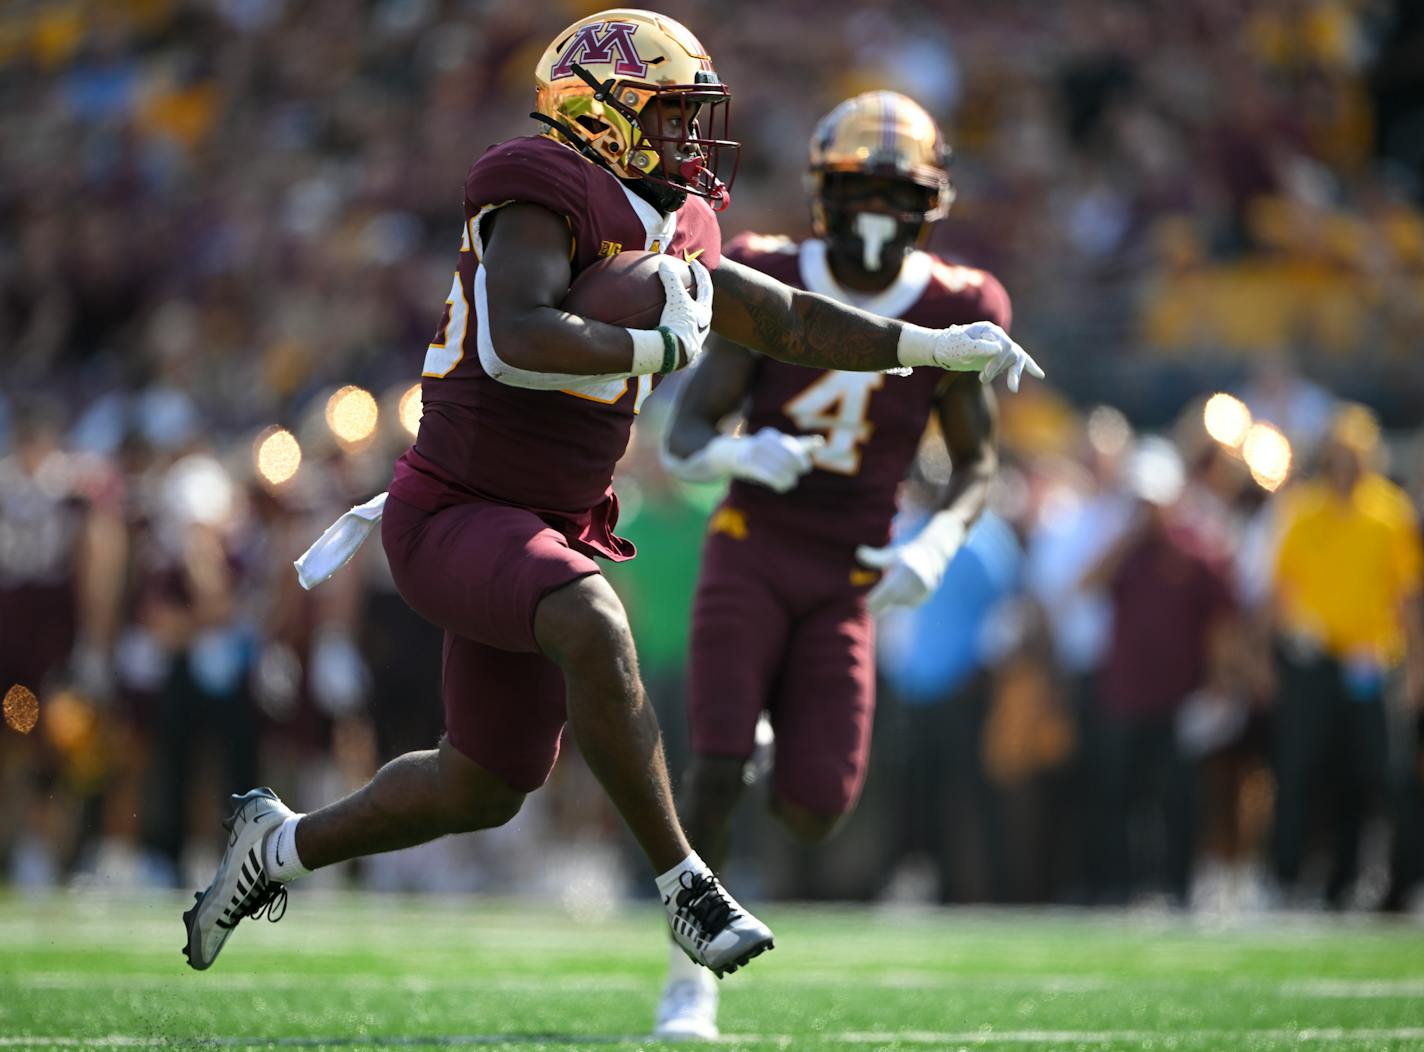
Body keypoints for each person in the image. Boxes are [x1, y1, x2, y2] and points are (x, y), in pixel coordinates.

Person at [181, 10, 1041, 980]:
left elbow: (782, 318)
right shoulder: (536, 182)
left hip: (540, 525)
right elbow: (518, 336)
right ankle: (683, 882)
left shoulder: (682, 219)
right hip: (456, 508)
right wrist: (655, 345)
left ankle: (276, 845)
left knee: (483, 781)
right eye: (670, 116)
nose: (688, 138)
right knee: (591, 614)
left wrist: (926, 347)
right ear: (597, 112)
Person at [653, 91, 1009, 1038]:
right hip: (753, 548)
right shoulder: (765, 272)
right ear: (824, 193)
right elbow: (686, 432)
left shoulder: (958, 304)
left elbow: (976, 462)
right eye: (863, 191)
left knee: (815, 809)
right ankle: (689, 976)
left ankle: (764, 747)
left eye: (900, 194)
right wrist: (737, 454)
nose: (881, 213)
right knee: (718, 758)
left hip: (849, 571)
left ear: (930, 202)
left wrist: (932, 543)